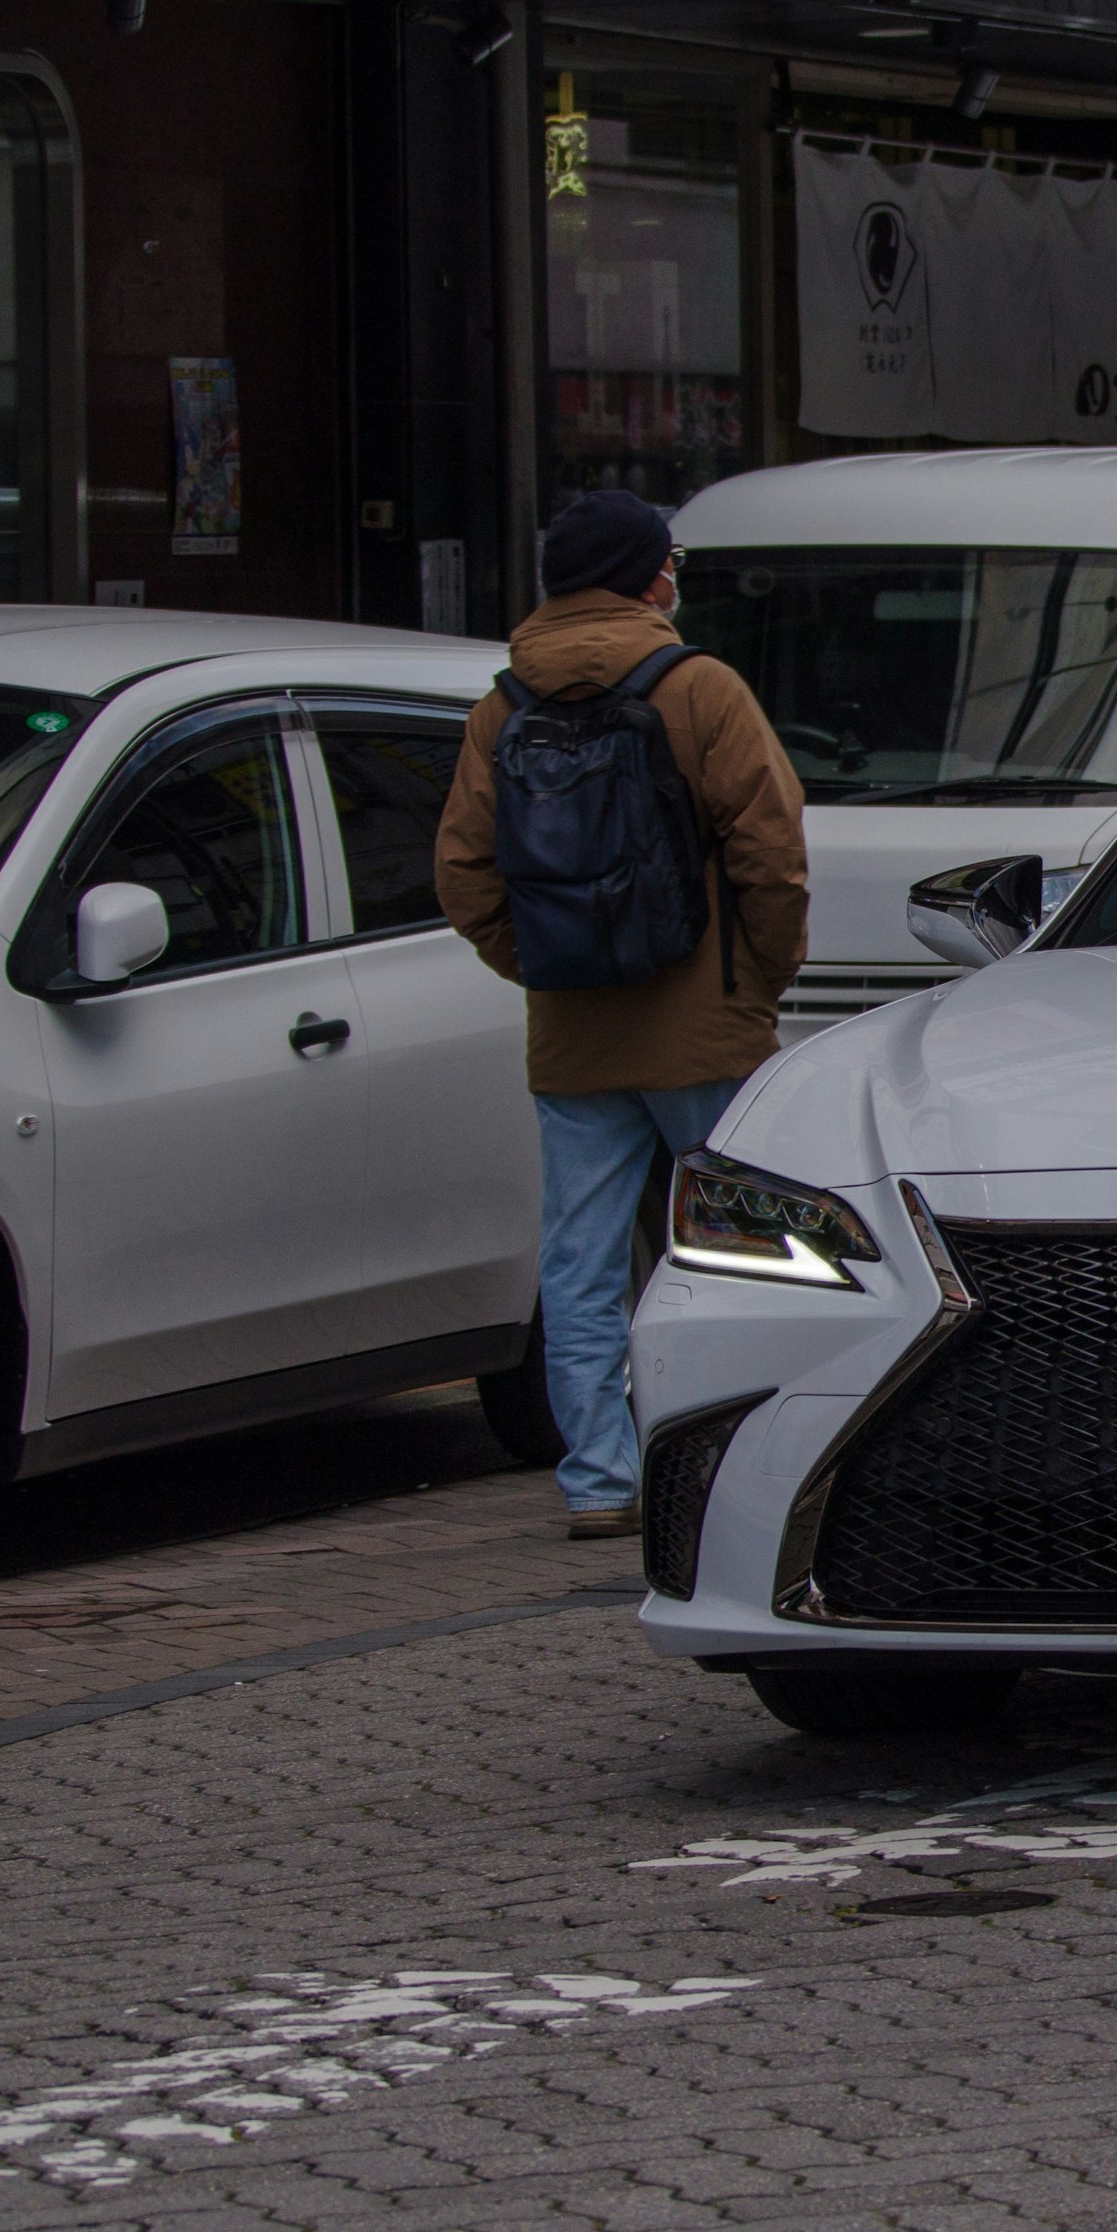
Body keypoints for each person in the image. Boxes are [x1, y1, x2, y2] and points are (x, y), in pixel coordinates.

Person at [436, 490, 808, 1540]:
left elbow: (462, 875)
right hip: (707, 1028)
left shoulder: (503, 705)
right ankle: (748, 1462)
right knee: (746, 1248)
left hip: (574, 1037)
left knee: (582, 1262)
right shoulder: (700, 689)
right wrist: (754, 979)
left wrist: (546, 967)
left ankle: (601, 1478)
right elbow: (772, 856)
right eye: (667, 564)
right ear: (648, 580)